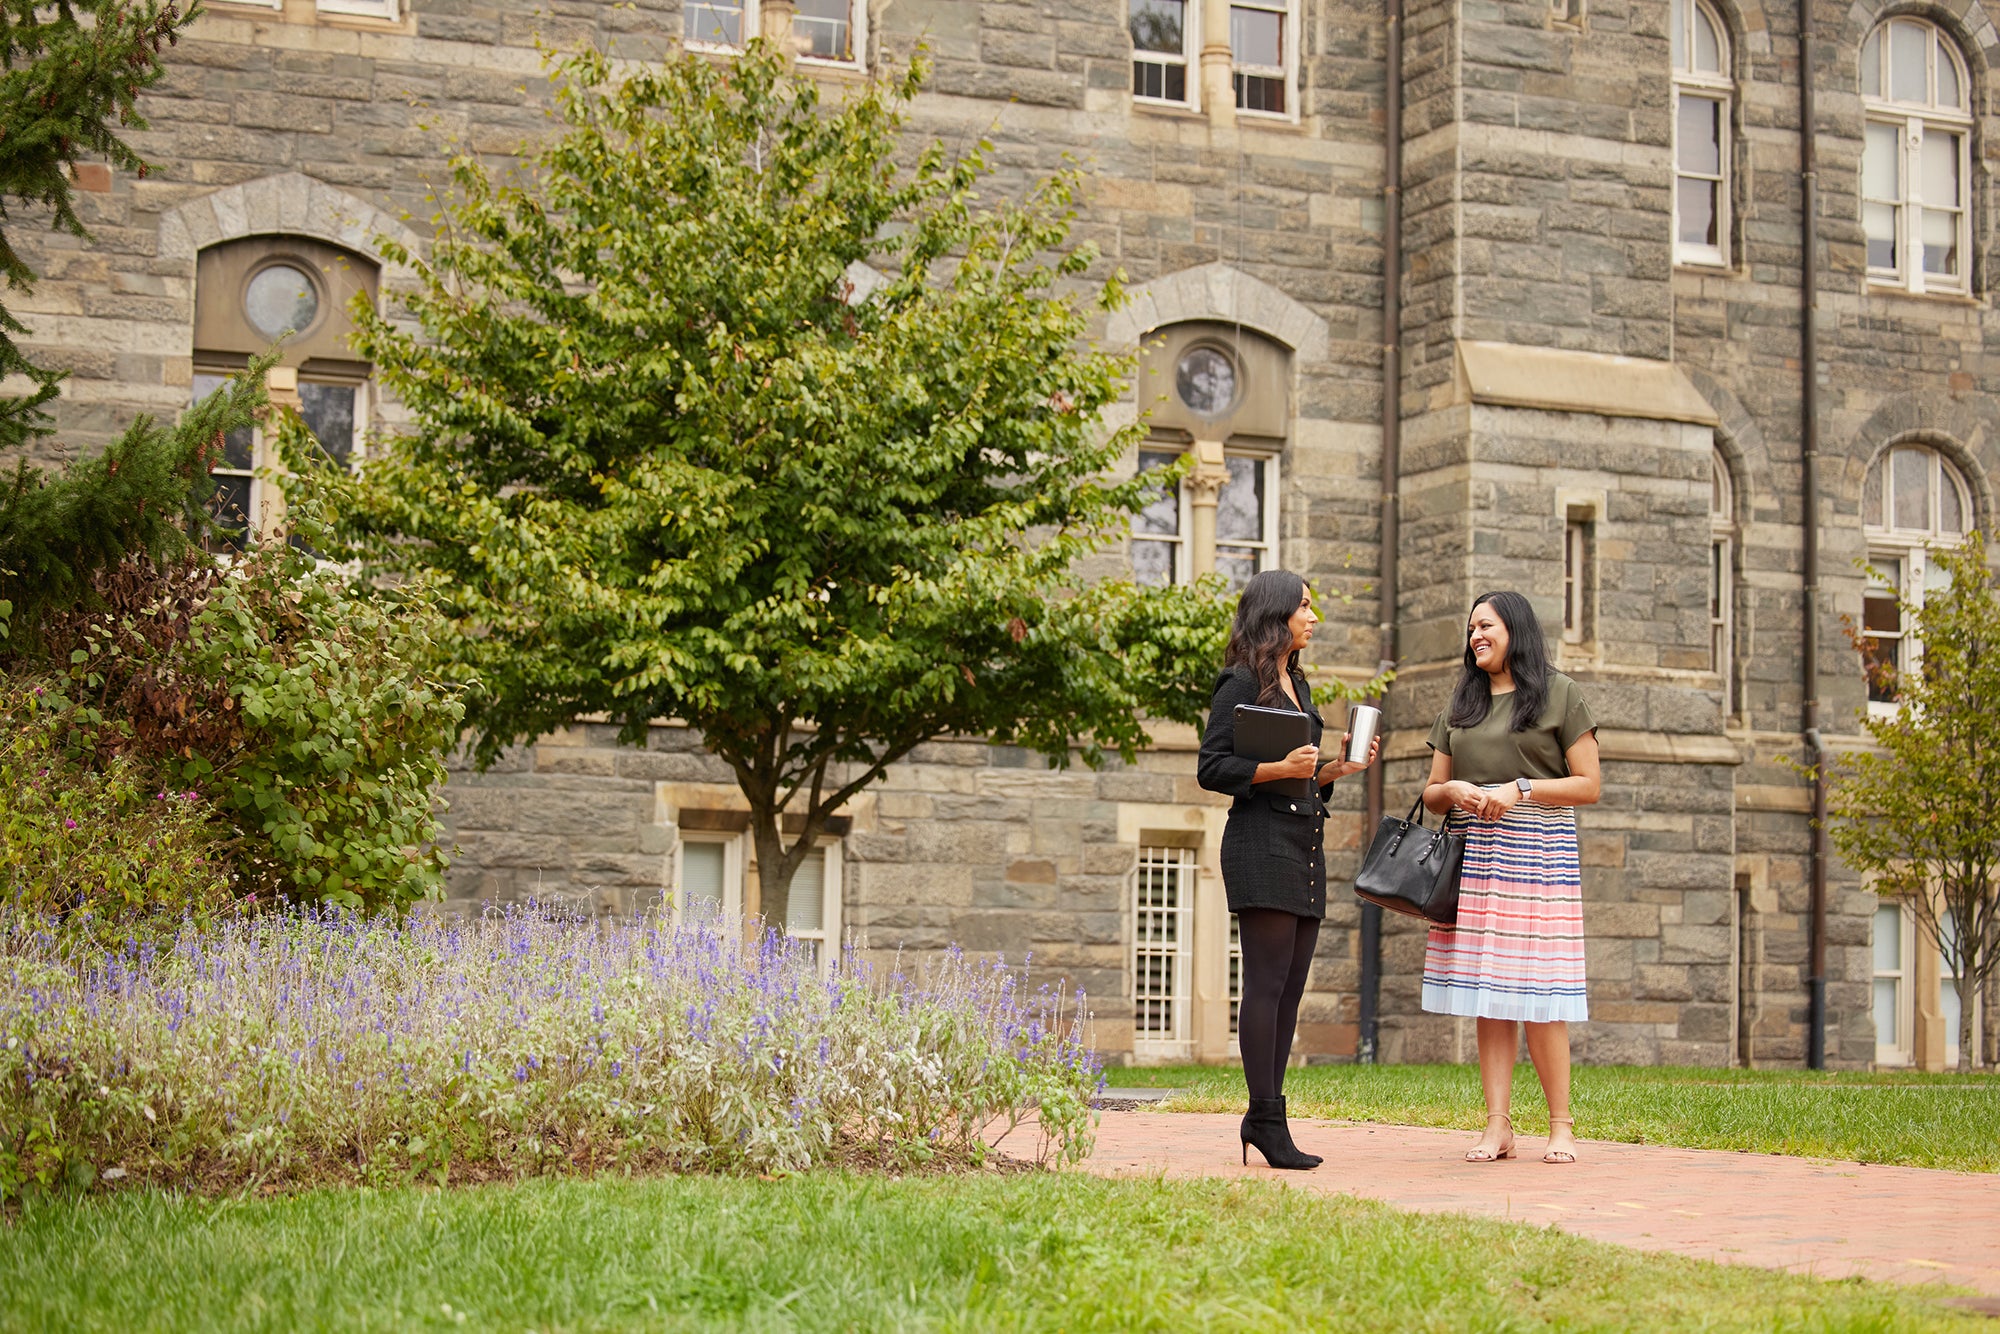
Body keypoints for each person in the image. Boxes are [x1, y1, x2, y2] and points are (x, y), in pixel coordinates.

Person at [1198, 569, 1378, 1170]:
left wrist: (1333, 770)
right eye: (1304, 606)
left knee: (1291, 989)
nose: (1313, 617)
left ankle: (1265, 1118)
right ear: (1275, 613)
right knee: (1266, 984)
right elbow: (1212, 767)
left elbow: (1302, 774)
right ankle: (1266, 1118)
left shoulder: (1297, 682)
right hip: (1260, 843)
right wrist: (1278, 769)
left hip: (1304, 842)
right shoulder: (1239, 681)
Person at [1420, 590, 1600, 1165]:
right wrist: (1453, 790)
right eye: (1471, 628)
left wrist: (1521, 788)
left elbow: (1588, 785)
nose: (1475, 635)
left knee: (1542, 993)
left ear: (1515, 630)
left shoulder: (1560, 693)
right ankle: (1497, 1125)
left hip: (1538, 853)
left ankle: (1561, 1126)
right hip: (1475, 855)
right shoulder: (1461, 704)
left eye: (1486, 626)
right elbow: (1431, 793)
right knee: (1490, 994)